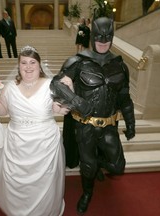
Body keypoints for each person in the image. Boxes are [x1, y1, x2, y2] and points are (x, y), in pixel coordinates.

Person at [50, 16, 136, 214]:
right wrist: (77, 101)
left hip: (108, 125)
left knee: (117, 166)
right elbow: (56, 84)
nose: (103, 42)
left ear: (112, 37)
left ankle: (96, 164)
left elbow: (124, 98)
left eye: (107, 37)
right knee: (87, 166)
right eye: (99, 37)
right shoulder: (77, 62)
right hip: (85, 126)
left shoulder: (120, 65)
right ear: (92, 36)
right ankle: (87, 192)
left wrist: (131, 123)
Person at [0, 45, 69, 216]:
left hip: (45, 143)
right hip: (16, 142)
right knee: (15, 181)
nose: (28, 67)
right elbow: (4, 110)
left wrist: (66, 103)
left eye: (32, 62)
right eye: (24, 63)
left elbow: (59, 109)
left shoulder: (51, 85)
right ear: (18, 66)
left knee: (44, 180)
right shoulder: (10, 87)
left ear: (40, 66)